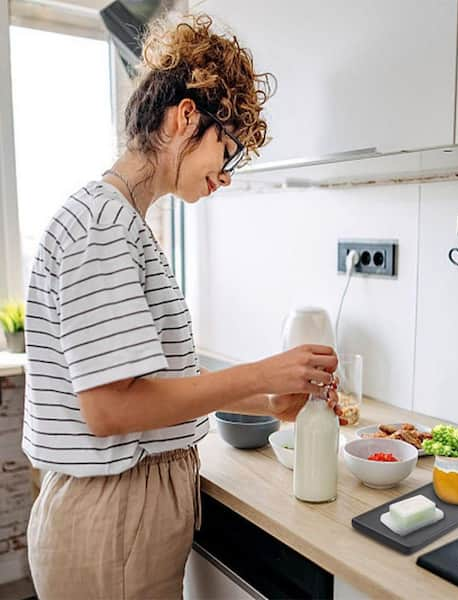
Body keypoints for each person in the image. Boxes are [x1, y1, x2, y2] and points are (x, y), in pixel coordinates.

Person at [23, 13, 340, 599]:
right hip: (112, 519)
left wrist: (267, 396)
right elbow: (111, 408)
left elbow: (155, 383)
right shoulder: (104, 227)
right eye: (228, 150)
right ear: (186, 117)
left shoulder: (123, 223)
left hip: (122, 517)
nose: (225, 175)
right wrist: (261, 373)